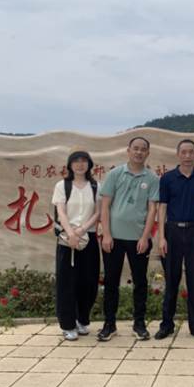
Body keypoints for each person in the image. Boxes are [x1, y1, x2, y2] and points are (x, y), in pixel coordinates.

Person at [97, 137, 159, 341]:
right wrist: (106, 234)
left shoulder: (152, 178)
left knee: (140, 282)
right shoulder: (115, 174)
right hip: (113, 239)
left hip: (139, 239)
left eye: (143, 149)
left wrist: (145, 237)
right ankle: (109, 324)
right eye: (135, 148)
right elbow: (105, 206)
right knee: (111, 282)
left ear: (148, 153)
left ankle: (139, 324)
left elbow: (152, 210)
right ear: (128, 150)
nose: (139, 152)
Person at [155, 139, 194, 341]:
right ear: (178, 154)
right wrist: (161, 237)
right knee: (171, 281)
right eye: (184, 152)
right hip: (172, 231)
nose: (187, 156)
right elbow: (162, 207)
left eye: (191, 152)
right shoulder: (168, 178)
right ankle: (166, 325)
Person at [51, 150, 101, 341]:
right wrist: (71, 233)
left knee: (89, 282)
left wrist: (81, 230)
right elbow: (61, 212)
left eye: (84, 161)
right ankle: (68, 325)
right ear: (70, 165)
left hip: (88, 238)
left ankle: (82, 320)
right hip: (67, 239)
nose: (80, 165)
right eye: (76, 161)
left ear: (89, 164)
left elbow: (98, 213)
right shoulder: (62, 185)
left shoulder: (95, 186)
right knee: (67, 283)